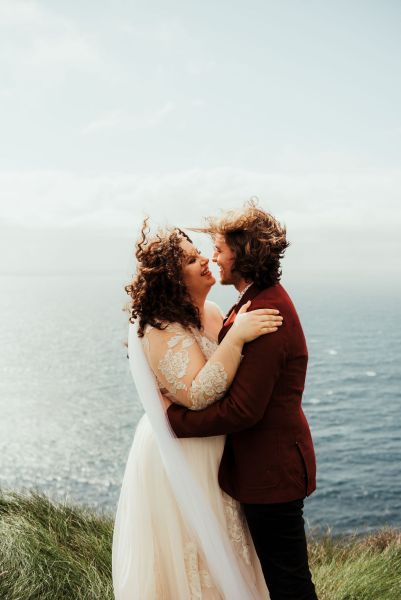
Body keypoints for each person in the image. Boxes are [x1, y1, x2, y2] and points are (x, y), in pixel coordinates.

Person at [112, 218, 283, 599]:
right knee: (195, 555)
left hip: (215, 448)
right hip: (182, 454)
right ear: (173, 278)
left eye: (199, 255)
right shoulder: (160, 327)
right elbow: (199, 394)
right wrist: (237, 337)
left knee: (229, 548)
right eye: (191, 261)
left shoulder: (212, 312)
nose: (205, 261)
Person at [166, 201, 318, 600]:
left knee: (288, 583)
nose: (213, 256)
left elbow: (243, 410)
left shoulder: (268, 313)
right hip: (265, 468)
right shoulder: (258, 297)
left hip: (272, 472)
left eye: (219, 248)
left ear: (244, 253)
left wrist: (173, 422)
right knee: (277, 579)